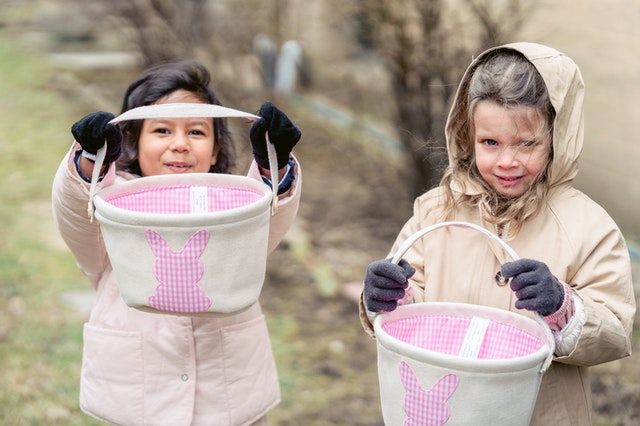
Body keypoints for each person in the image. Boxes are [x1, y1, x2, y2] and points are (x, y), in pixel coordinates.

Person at [360, 42, 635, 424]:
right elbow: (412, 308)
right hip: (445, 413)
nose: (508, 161)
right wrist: (389, 297)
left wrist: (563, 307)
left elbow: (616, 332)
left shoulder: (589, 227)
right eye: (490, 142)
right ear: (466, 134)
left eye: (527, 143)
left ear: (557, 137)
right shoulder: (437, 211)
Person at [52, 60, 302, 426]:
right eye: (163, 130)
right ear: (131, 143)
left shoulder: (234, 204)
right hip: (138, 394)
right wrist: (89, 164)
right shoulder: (109, 204)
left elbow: (269, 219)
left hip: (227, 394)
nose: (180, 144)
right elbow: (74, 213)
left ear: (216, 150)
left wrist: (273, 168)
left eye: (197, 132)